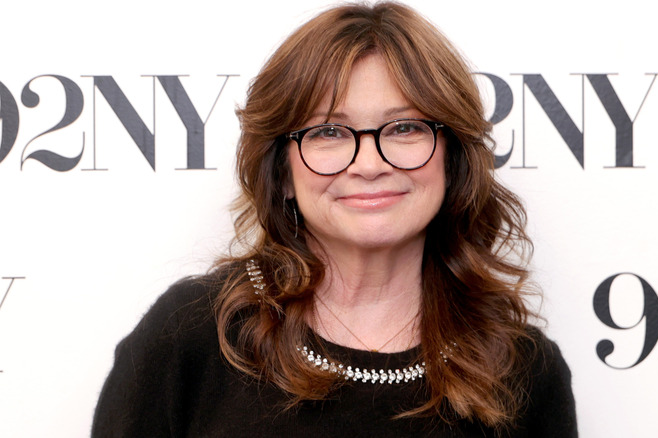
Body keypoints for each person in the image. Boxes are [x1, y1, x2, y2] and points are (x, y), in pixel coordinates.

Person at [92, 2, 577, 437]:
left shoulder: (522, 368)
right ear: (281, 170)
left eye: (405, 127)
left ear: (452, 160)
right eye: (329, 131)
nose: (369, 164)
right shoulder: (192, 335)